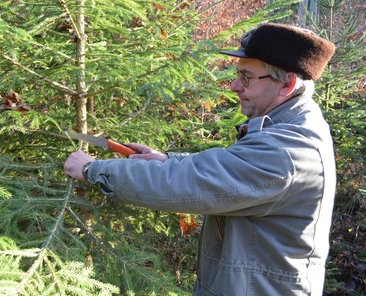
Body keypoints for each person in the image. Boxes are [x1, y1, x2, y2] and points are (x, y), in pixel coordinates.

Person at [64, 22, 336, 295]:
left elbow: (189, 183)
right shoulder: (288, 126)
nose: (234, 86)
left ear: (287, 84)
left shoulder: (287, 149)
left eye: (246, 77)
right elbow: (229, 165)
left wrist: (92, 169)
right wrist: (166, 159)